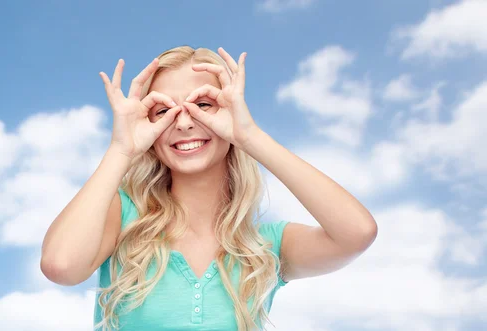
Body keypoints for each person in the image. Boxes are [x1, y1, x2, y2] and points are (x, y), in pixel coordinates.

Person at [40, 45, 378, 331]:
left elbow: (357, 232)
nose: (184, 122)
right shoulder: (121, 217)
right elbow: (61, 266)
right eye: (163, 110)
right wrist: (121, 150)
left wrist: (250, 137)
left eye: (202, 105)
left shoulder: (264, 249)